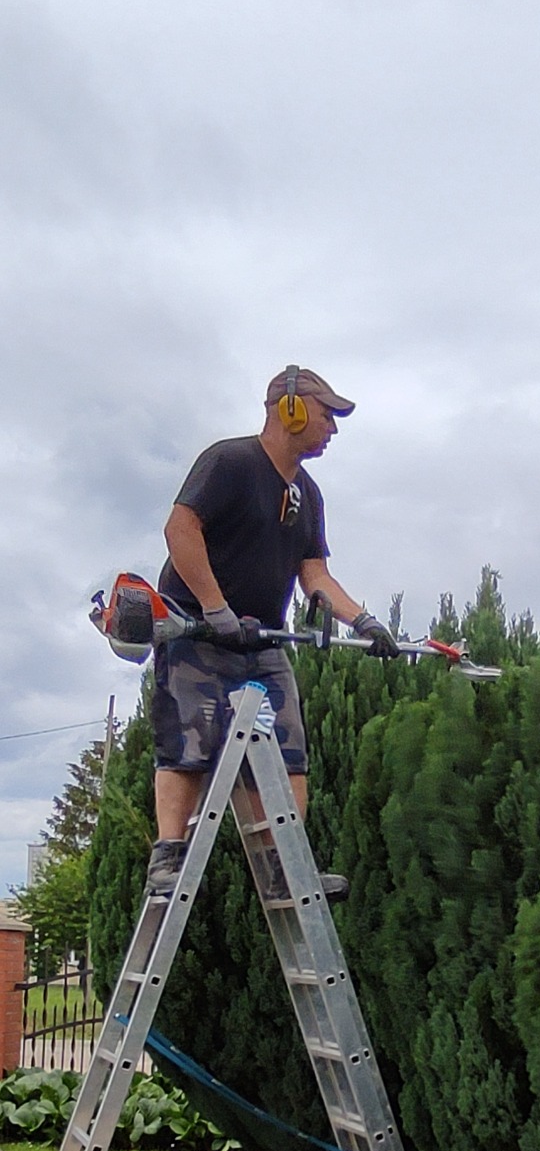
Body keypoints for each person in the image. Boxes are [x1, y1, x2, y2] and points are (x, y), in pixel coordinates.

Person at [146, 364, 398, 894]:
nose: (333, 428)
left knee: (287, 750)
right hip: (195, 631)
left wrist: (364, 621)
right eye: (327, 414)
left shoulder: (307, 493)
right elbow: (180, 528)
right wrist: (215, 609)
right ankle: (168, 857)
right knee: (186, 741)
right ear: (292, 408)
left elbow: (314, 574)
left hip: (262, 641)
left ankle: (286, 869)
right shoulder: (229, 462)